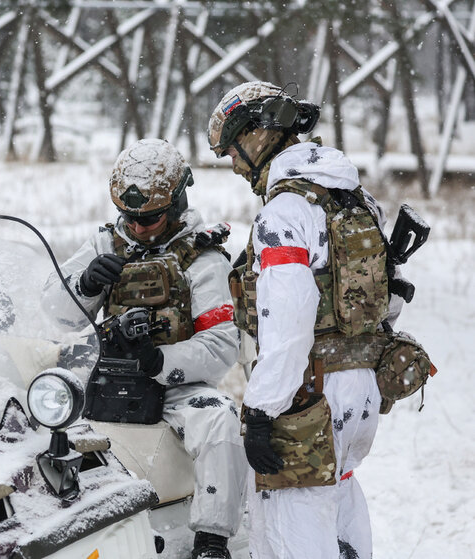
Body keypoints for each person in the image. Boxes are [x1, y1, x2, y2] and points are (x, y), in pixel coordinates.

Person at [208, 81, 403, 559]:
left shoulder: (284, 212)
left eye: (232, 150)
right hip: (360, 387)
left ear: (257, 137)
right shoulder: (358, 201)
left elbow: (289, 325)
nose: (232, 163)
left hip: (307, 393)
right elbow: (388, 303)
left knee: (290, 526)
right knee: (341, 496)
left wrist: (260, 410)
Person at [45, 139, 248, 559]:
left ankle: (212, 540)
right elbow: (55, 312)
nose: (137, 228)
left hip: (175, 385)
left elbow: (223, 343)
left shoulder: (203, 260)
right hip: (105, 378)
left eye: (150, 218)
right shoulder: (105, 244)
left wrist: (160, 361)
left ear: (175, 205)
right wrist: (85, 285)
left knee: (221, 419)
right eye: (130, 217)